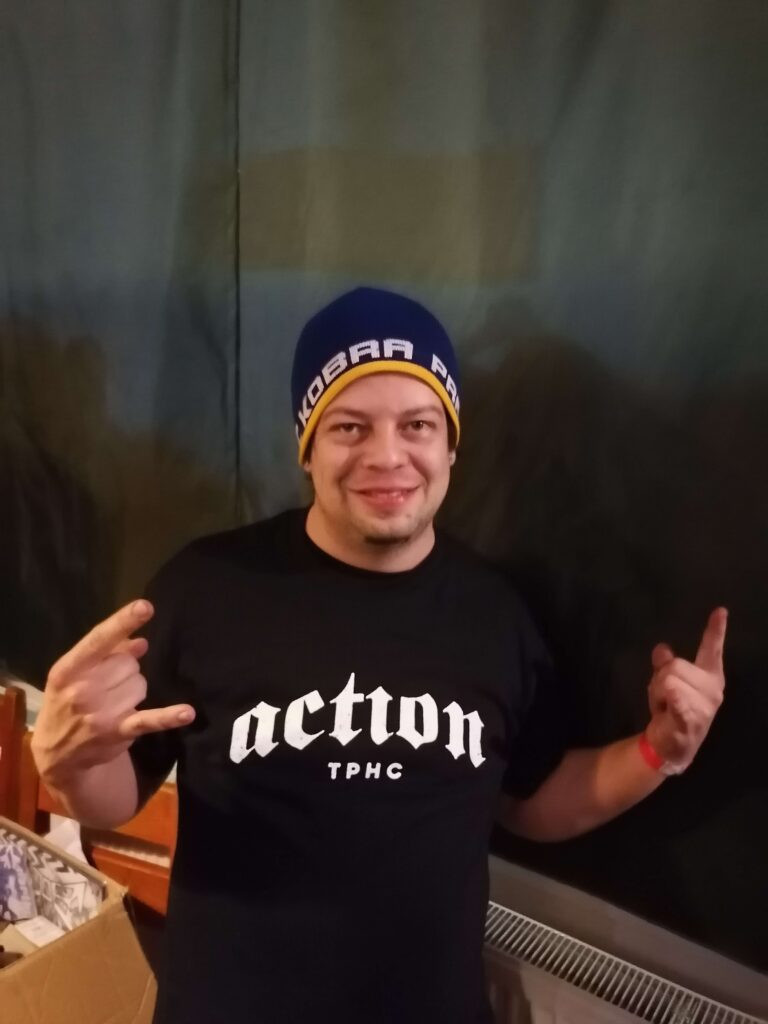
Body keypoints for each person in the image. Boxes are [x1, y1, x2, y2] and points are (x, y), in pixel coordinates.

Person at [31, 287, 726, 1024]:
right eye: (349, 427)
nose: (388, 456)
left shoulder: (496, 615)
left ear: (450, 445)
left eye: (418, 424)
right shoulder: (206, 588)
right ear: (307, 445)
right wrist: (69, 764)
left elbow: (532, 797)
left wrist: (658, 753)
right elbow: (119, 796)